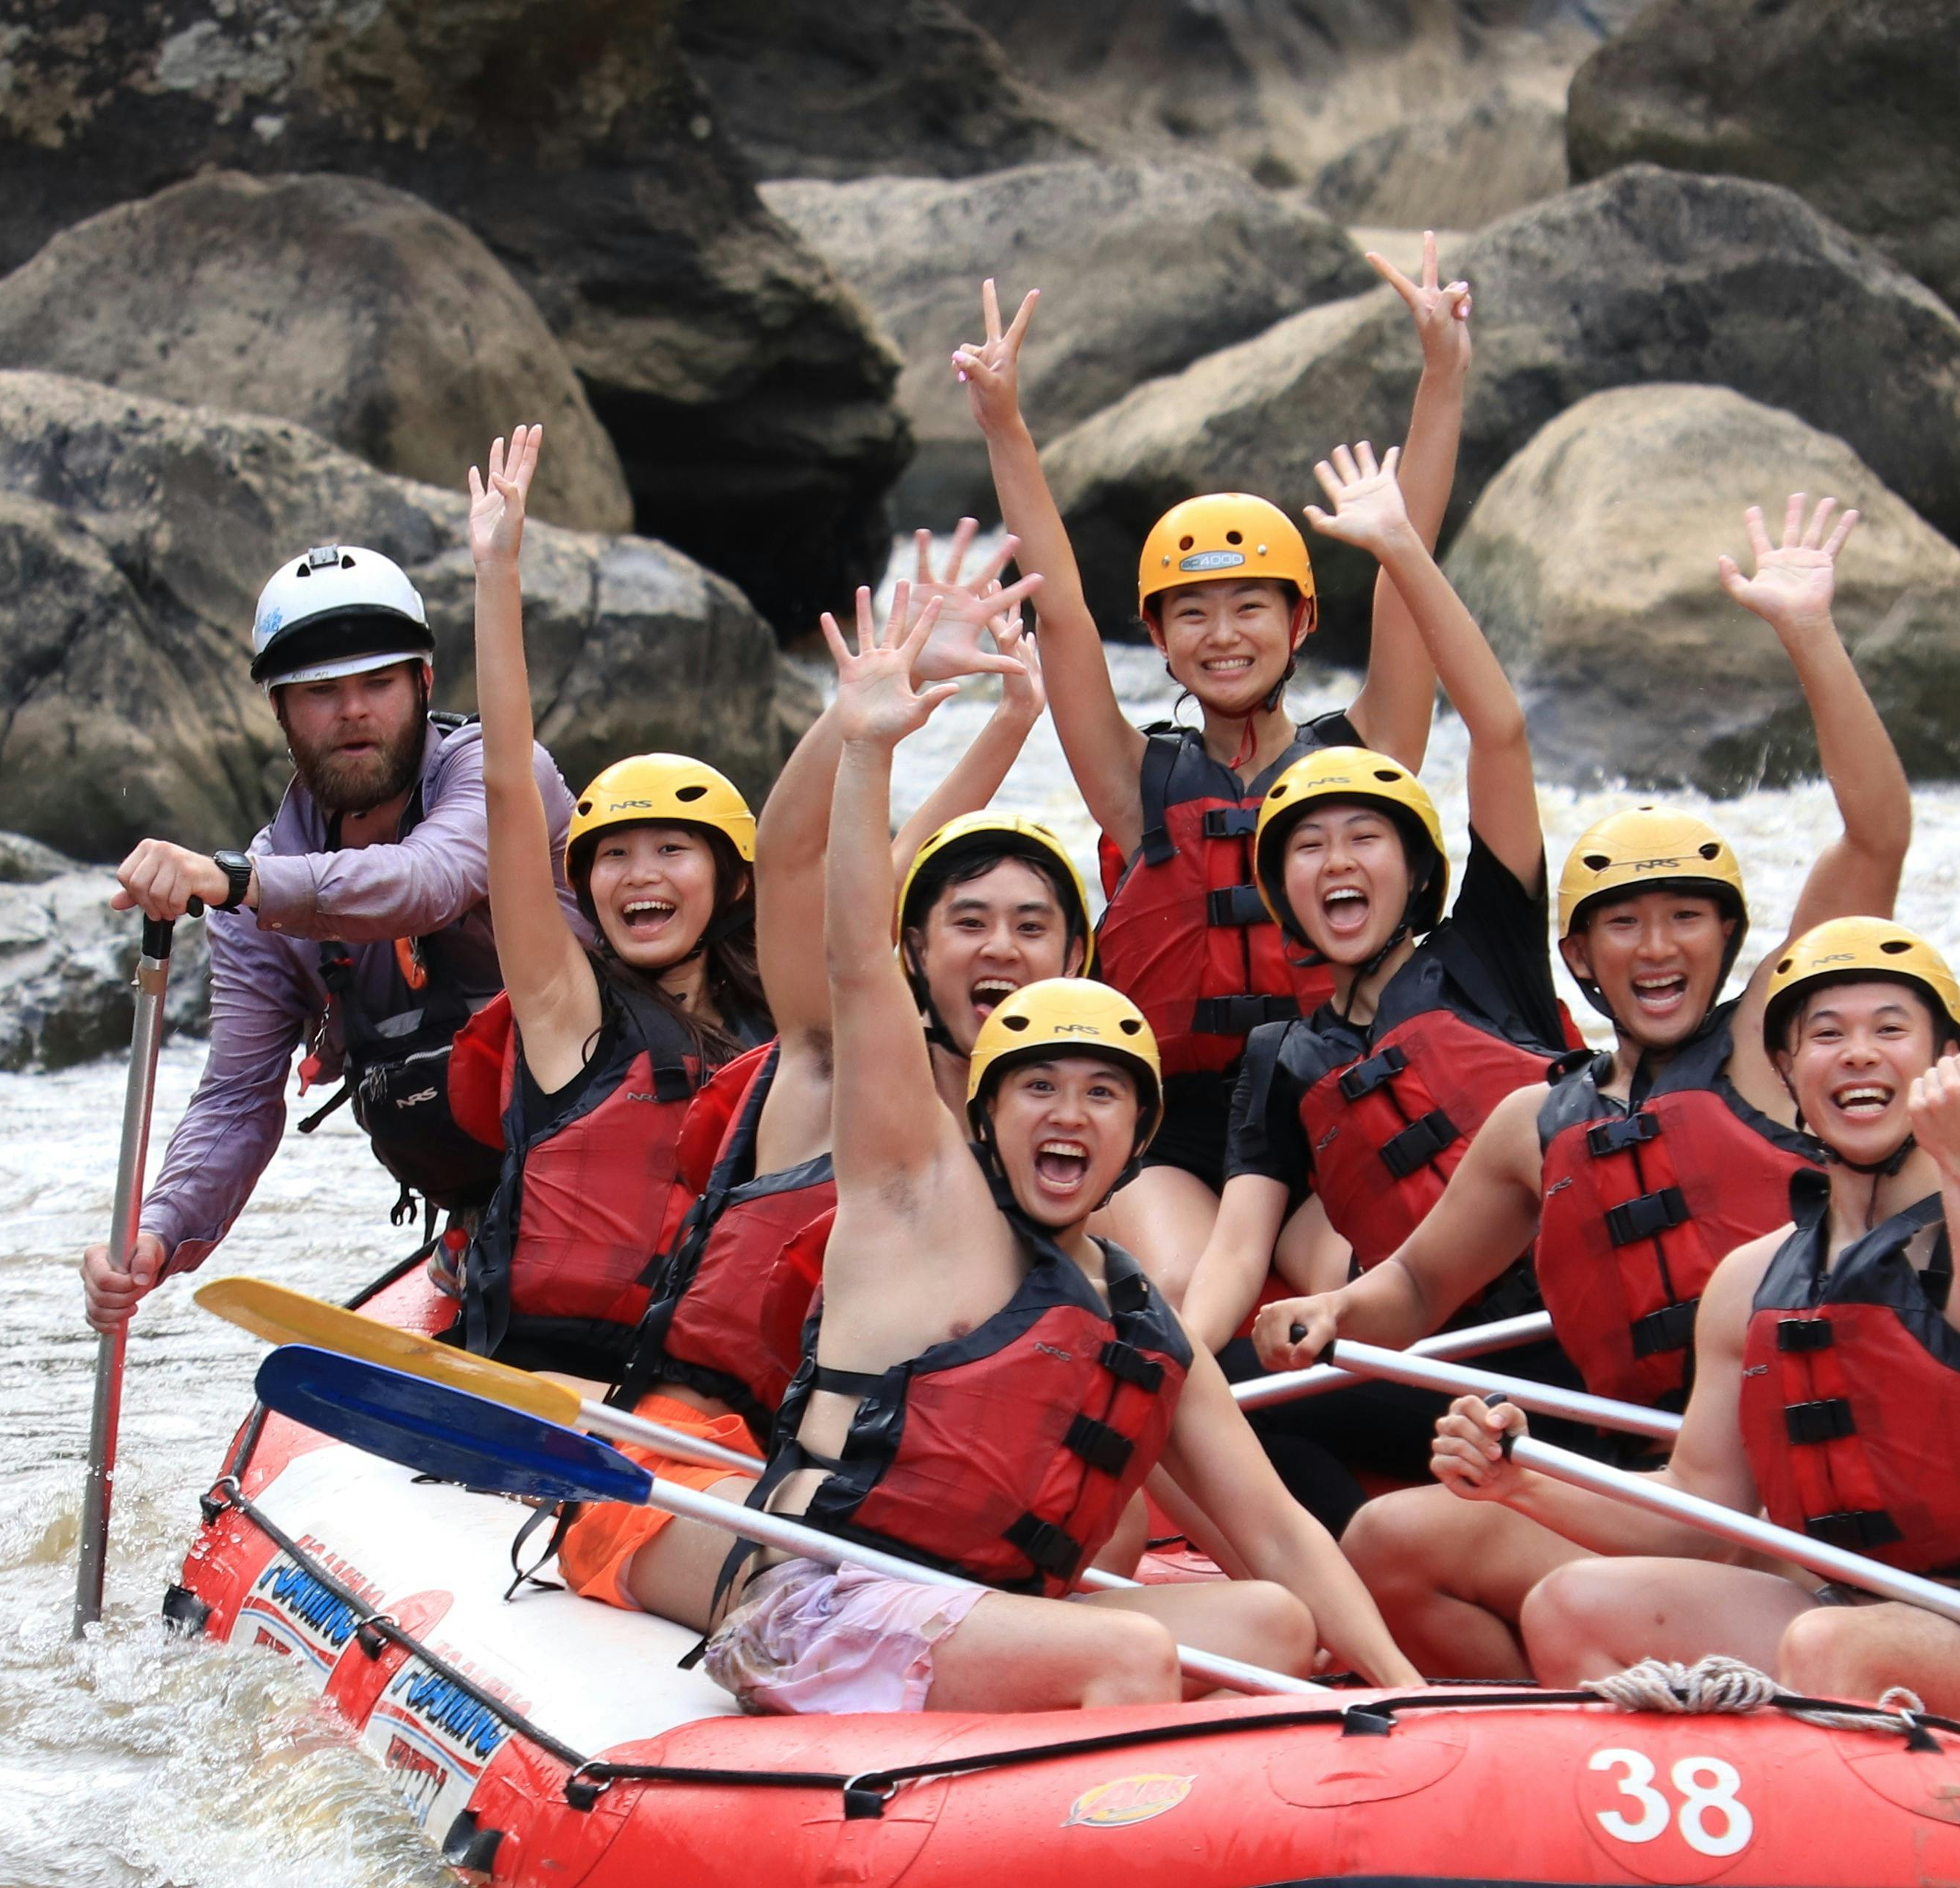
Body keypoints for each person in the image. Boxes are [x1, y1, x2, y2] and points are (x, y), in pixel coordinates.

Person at [684, 595, 1422, 1716]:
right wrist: (869, 744)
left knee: (1273, 1620)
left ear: (1138, 1138)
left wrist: (1410, 1695)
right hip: (822, 1603)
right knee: (1127, 1662)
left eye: (1099, 1097)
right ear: (986, 1110)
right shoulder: (911, 1188)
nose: (1066, 1117)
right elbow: (855, 964)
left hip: (993, 1610)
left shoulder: (1136, 1314)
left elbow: (1274, 1527)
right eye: (1037, 1089)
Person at [1251, 496, 1917, 1669]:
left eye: (1682, 924)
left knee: (1543, 1579)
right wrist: (1333, 1314)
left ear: (1727, 942)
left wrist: (1811, 636)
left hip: (1778, 1491)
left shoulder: (1775, 1043)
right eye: (1623, 927)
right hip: (1629, 1480)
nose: (1654, 951)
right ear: (1577, 959)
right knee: (1393, 1543)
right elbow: (1411, 1289)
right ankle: (1548, 1755)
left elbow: (1875, 833)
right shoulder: (1537, 1120)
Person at [1417, 921, 1960, 1749]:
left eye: (1890, 1029)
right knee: (1573, 1601)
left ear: (1948, 1060)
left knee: (1828, 1648)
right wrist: (1521, 1481)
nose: (1858, 1054)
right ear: (1787, 1074)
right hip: (1844, 1611)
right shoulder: (1751, 1279)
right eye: (1826, 1035)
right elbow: (1702, 1514)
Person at [954, 243, 1479, 1289]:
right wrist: (1005, 426)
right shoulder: (1135, 782)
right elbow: (1056, 607)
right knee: (1194, 1293)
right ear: (1158, 635)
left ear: (1301, 622)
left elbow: (1405, 566)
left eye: (1251, 607)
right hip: (1178, 1130)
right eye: (1192, 613)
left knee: (1353, 1277)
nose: (1223, 634)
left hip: (1334, 1098)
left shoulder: (1365, 758)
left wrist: (1442, 377)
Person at [561, 543, 1063, 1624]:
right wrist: (873, 710)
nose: (1000, 955)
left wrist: (1015, 723)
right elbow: (806, 868)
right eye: (968, 930)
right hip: (683, 1469)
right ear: (916, 955)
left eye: (1033, 933)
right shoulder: (834, 1061)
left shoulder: (1044, 1137)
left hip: (864, 1486)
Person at [1171, 442, 1570, 1530]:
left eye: (1365, 838)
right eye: (1307, 847)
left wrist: (1401, 547)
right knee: (1231, 1418)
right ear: (1278, 887)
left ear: (1417, 866)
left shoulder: (1487, 948)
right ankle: (1354, 1582)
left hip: (1585, 1344)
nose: (1337, 862)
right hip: (1447, 1371)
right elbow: (1236, 1255)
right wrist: (1178, 1356)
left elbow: (1501, 730)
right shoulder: (1281, 1061)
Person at [81, 542, 577, 1332]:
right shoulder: (264, 882)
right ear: (280, 709)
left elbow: (426, 883)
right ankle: (480, 1241)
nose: (353, 710)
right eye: (320, 691)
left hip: (619, 1163)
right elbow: (239, 1098)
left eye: (379, 682)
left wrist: (239, 883)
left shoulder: (504, 778)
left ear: (423, 683)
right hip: (488, 1206)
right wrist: (158, 1230)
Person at [450, 424, 770, 1387]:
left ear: (732, 882)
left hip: (700, 1387)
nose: (640, 876)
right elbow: (508, 785)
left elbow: (882, 871)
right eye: (614, 858)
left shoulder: (779, 1019)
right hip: (554, 1382)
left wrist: (1002, 721)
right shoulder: (566, 1006)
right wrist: (496, 575)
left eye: (673, 852)